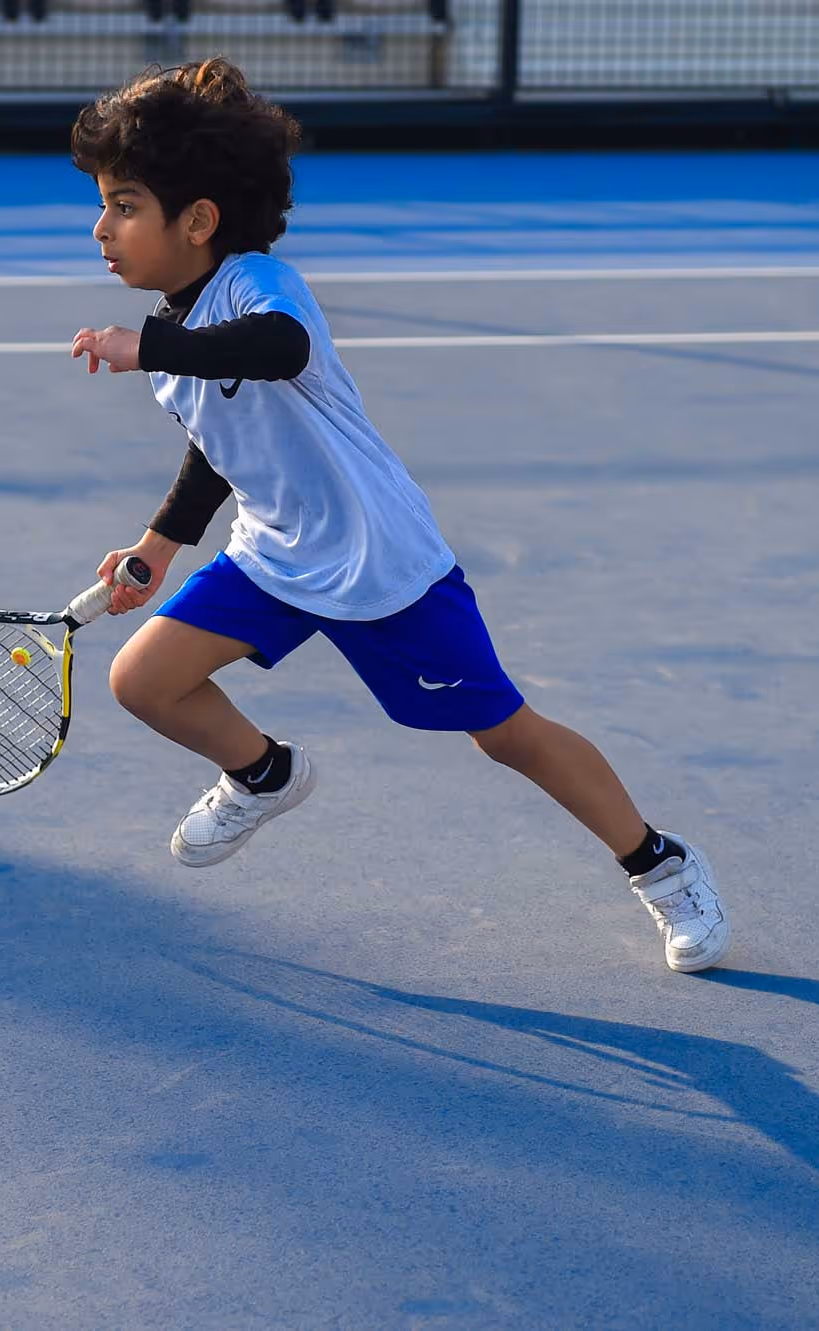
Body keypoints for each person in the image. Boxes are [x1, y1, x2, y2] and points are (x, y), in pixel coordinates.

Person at [65, 58, 729, 973]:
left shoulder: (264, 286)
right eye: (103, 206)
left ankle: (661, 865)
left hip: (382, 565)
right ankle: (265, 772)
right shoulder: (176, 340)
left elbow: (276, 349)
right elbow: (221, 447)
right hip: (274, 557)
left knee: (508, 736)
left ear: (200, 220)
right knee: (143, 680)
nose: (101, 229)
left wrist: (150, 346)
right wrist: (157, 547)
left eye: (125, 205)